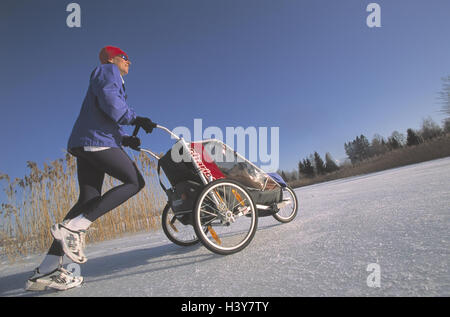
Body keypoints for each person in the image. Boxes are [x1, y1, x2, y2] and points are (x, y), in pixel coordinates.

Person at [25, 45, 156, 291]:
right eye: (125, 58)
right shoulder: (108, 70)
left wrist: (125, 139)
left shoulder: (107, 74)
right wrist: (135, 118)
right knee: (135, 181)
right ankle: (75, 228)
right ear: (112, 58)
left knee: (88, 199)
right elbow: (110, 102)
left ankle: (46, 269)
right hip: (96, 141)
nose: (129, 62)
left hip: (87, 141)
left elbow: (106, 112)